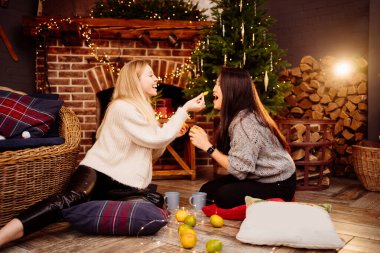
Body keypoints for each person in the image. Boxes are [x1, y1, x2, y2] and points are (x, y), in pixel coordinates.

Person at [0, 60, 206, 247]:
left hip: (121, 183)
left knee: (154, 199)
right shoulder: (121, 107)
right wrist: (183, 110)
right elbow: (155, 140)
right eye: (150, 75)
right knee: (68, 200)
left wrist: (170, 135)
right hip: (97, 173)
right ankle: (3, 236)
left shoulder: (142, 112)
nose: (156, 79)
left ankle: (91, 206)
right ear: (135, 80)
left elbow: (152, 152)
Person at [189, 67, 296, 209]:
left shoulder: (245, 123)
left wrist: (207, 146)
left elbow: (239, 170)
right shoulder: (237, 116)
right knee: (206, 191)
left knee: (223, 197)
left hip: (278, 182)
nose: (214, 89)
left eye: (219, 84)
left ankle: (274, 204)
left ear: (232, 90)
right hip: (256, 177)